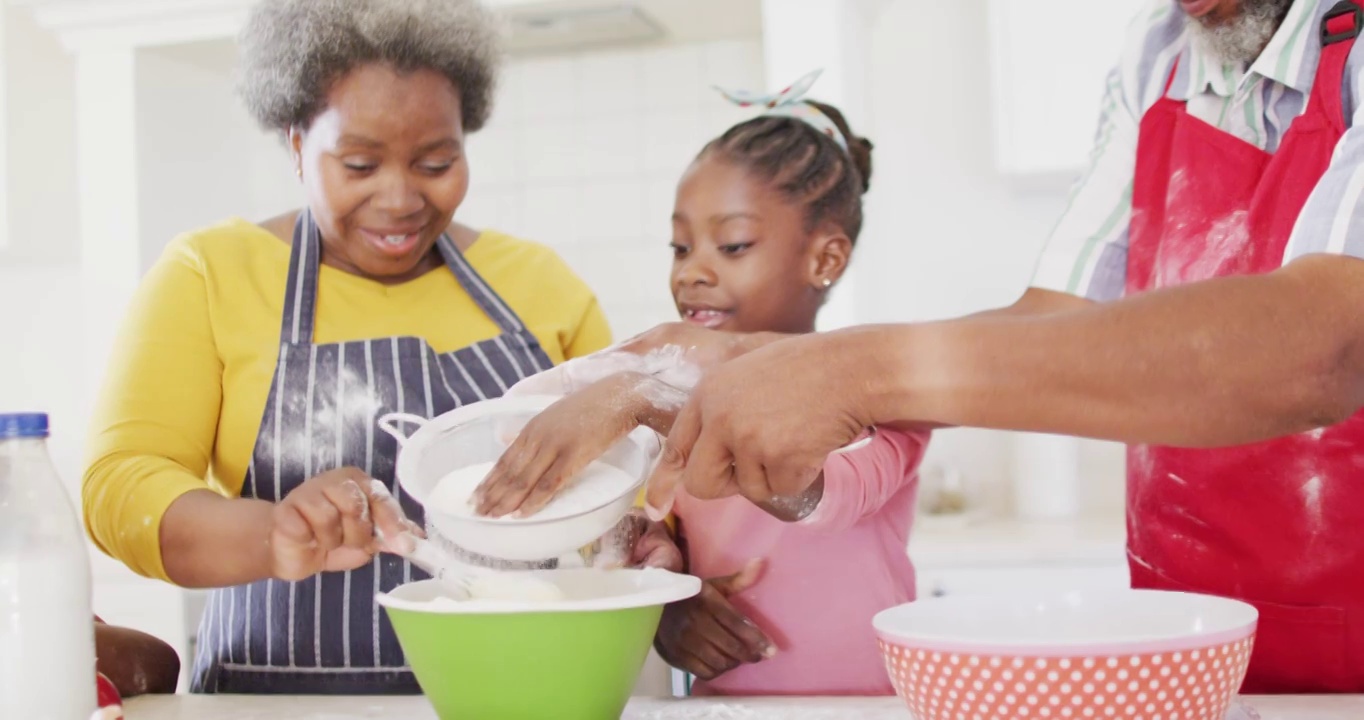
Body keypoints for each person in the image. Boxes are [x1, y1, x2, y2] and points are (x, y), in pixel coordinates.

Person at [640, 0, 1364, 695]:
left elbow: (1328, 349)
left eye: (732, 243)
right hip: (1197, 631)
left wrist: (856, 372)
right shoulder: (1160, 51)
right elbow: (1052, 315)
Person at [81, 0, 611, 694]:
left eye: (436, 161)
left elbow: (628, 480)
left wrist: (643, 541)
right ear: (298, 143)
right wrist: (272, 532)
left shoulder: (538, 282)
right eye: (359, 164)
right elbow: (120, 485)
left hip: (525, 692)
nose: (399, 199)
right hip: (273, 704)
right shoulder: (212, 273)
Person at [474, 72, 928, 696]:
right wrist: (664, 586)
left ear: (825, 258)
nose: (692, 272)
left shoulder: (885, 390)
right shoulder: (670, 377)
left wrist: (642, 399)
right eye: (680, 247)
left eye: (732, 245)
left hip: (869, 708)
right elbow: (517, 422)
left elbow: (819, 499)